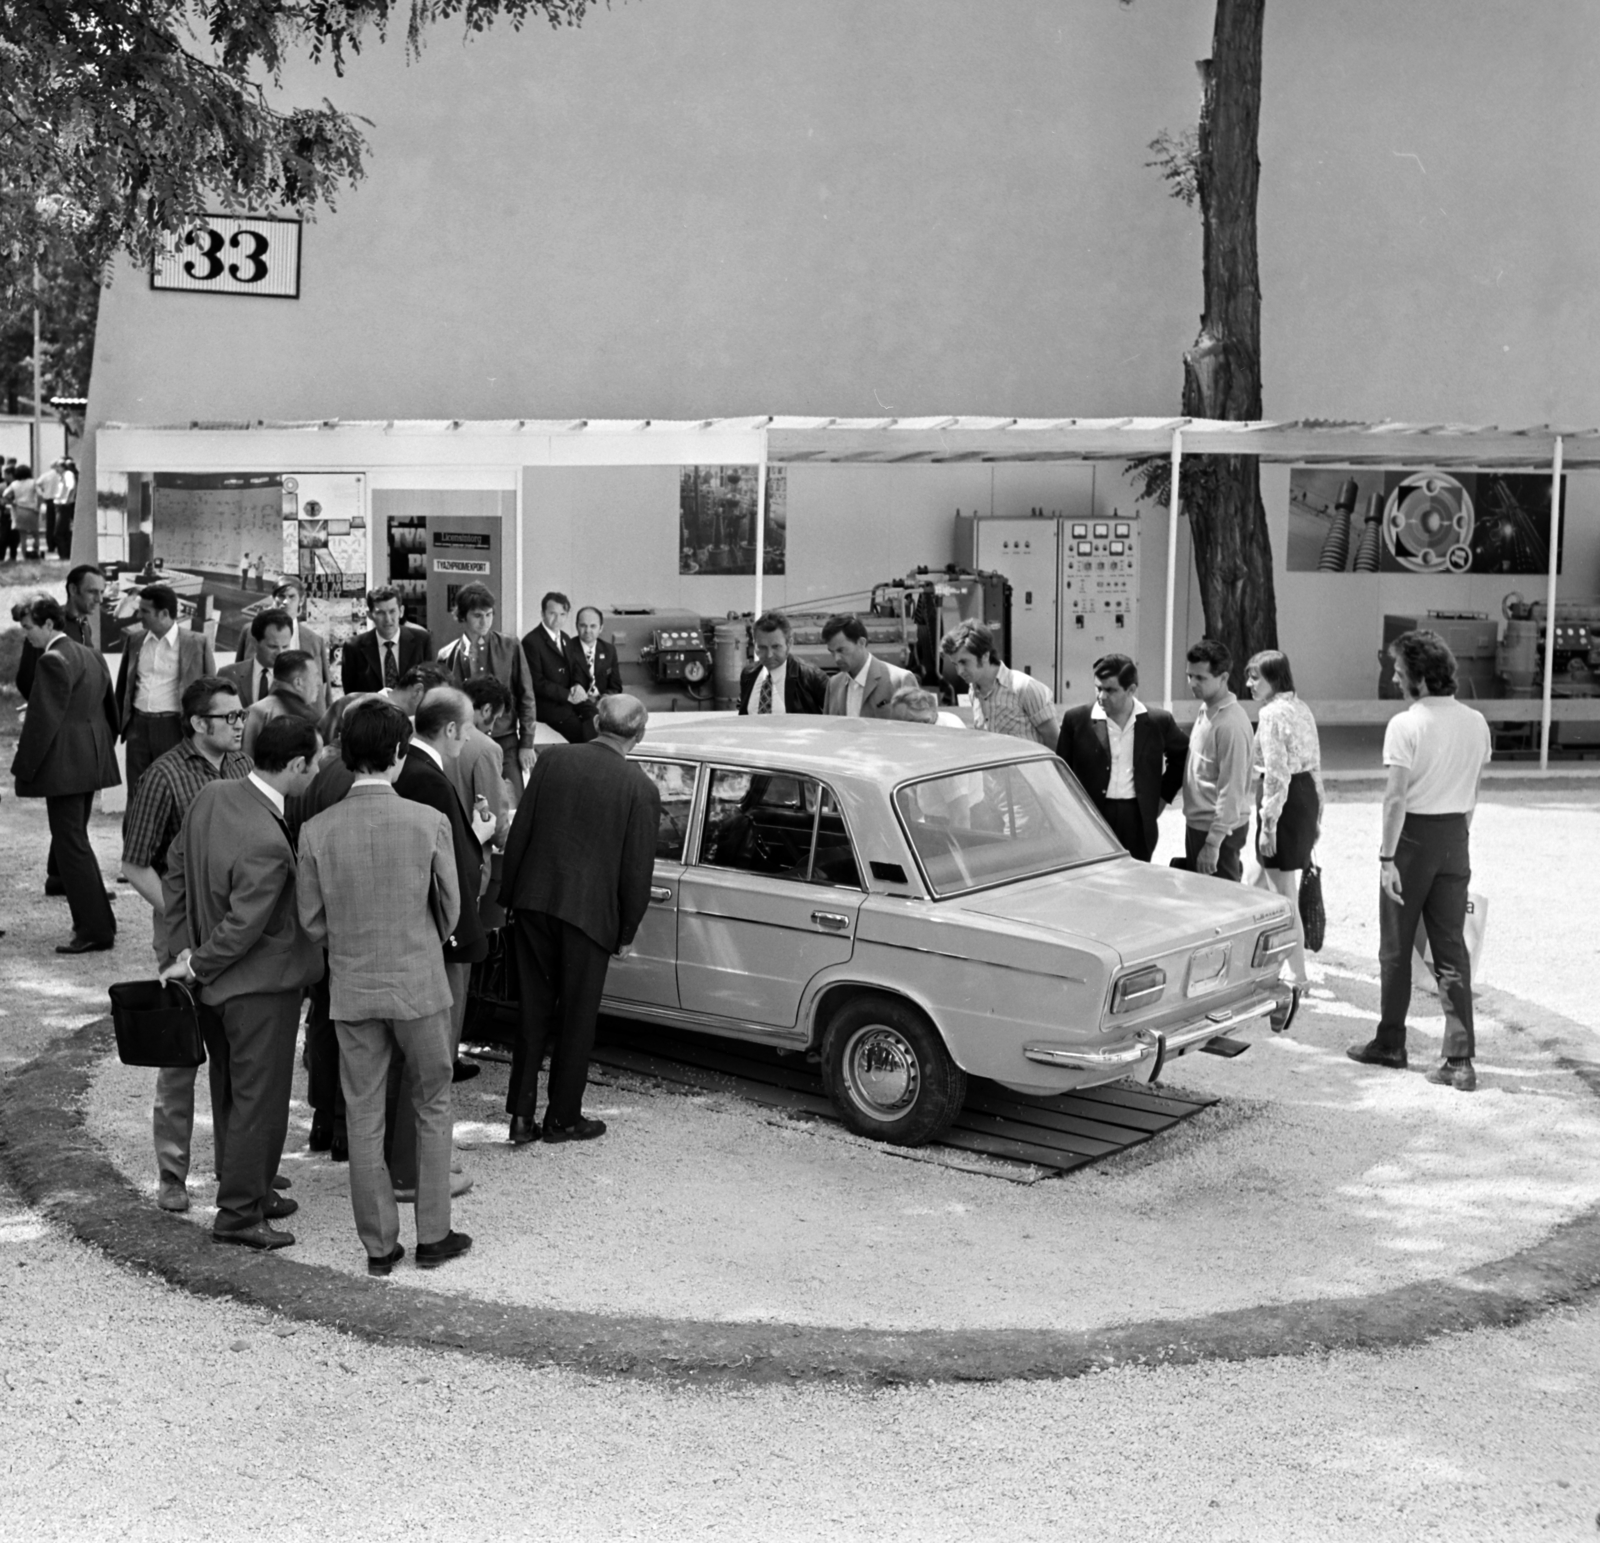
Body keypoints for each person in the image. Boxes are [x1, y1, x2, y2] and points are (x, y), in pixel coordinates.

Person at [296, 698, 473, 1274]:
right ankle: (435, 1233)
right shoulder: (429, 821)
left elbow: (311, 920)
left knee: (364, 1111)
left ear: (346, 757)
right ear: (399, 754)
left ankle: (378, 1245)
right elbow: (451, 910)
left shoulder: (317, 830)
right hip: (419, 981)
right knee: (432, 1100)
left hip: (352, 983)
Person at [160, 717, 324, 1250]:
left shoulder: (211, 795)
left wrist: (184, 946)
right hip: (257, 990)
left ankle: (251, 1188)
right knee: (261, 1100)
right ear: (296, 765)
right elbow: (242, 929)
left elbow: (177, 869)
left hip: (217, 990)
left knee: (231, 1091)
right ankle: (238, 1214)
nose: (317, 771)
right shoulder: (268, 843)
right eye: (314, 764)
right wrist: (198, 962)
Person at [499, 694, 659, 1145]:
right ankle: (563, 1117)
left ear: (595, 722)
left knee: (531, 1011)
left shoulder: (554, 761)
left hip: (534, 901)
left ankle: (521, 1115)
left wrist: (512, 895)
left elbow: (521, 831)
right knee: (576, 1018)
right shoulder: (640, 788)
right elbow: (635, 874)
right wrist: (627, 931)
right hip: (590, 916)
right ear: (638, 735)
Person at [121, 675, 252, 1213]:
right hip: (180, 937)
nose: (241, 724)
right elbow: (133, 863)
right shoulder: (163, 777)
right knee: (179, 1059)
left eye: (242, 715)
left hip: (232, 934)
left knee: (234, 1053)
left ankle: (237, 1167)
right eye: (231, 717)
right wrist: (178, 914)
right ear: (200, 724)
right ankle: (171, 1175)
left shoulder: (243, 767)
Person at [1348, 630, 1493, 1092]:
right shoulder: (1476, 721)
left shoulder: (1406, 724)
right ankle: (1459, 1058)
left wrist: (1387, 856)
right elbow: (1474, 789)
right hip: (1456, 833)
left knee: (1396, 946)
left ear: (1420, 679)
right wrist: (1460, 832)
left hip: (1412, 838)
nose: (1393, 678)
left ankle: (1391, 1041)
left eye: (1399, 671)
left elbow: (1395, 799)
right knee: (1451, 948)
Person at [10, 596, 121, 953]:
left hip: (66, 765)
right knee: (75, 840)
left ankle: (94, 929)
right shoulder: (90, 653)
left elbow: (43, 723)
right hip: (90, 758)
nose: (26, 636)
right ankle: (99, 923)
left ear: (47, 625)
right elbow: (110, 710)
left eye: (28, 628)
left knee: (70, 842)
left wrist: (22, 766)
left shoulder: (52, 659)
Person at [396, 687, 495, 1084]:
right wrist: (480, 832)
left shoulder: (414, 765)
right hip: (434, 923)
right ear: (450, 728)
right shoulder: (428, 778)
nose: (469, 737)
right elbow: (442, 855)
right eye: (467, 728)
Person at [1245, 650, 1324, 1032]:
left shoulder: (1272, 714)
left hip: (1284, 800)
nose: (1249, 685)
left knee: (1283, 892)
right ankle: (1260, 961)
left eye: (1255, 678)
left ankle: (1299, 976)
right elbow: (1316, 763)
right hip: (1306, 795)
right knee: (1258, 882)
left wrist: (1268, 823)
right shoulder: (1301, 708)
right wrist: (1319, 814)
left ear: (1273, 679)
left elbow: (1275, 773)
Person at [17, 564, 107, 897]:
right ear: (71, 590)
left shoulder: (83, 626)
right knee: (71, 818)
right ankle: (71, 876)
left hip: (77, 734)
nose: (98, 598)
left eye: (101, 591)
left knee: (75, 816)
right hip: (62, 734)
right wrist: (50, 714)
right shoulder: (47, 623)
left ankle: (61, 874)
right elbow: (27, 678)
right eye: (92, 591)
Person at [1055, 654, 1188, 863]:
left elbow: (1181, 756)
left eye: (1110, 690)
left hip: (1136, 819)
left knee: (1135, 880)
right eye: (1098, 688)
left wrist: (1161, 799)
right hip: (1092, 817)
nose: (1101, 696)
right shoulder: (1076, 720)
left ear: (1131, 690)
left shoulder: (1157, 721)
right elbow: (1061, 773)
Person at [116, 583, 216, 808]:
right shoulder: (135, 640)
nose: (139, 615)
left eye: (145, 611)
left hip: (176, 729)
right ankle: (133, 842)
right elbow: (123, 686)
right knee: (137, 795)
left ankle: (175, 844)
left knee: (177, 796)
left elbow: (211, 691)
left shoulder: (196, 643)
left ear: (164, 614)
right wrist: (122, 726)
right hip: (138, 729)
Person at [435, 583, 537, 791]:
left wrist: (527, 742)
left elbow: (526, 696)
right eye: (478, 615)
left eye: (489, 615)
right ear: (463, 616)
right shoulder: (447, 655)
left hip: (505, 738)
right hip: (465, 741)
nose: (485, 621)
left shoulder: (511, 646)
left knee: (513, 800)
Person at [1182, 636, 1254, 881]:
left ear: (1223, 678)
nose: (1192, 683)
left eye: (1201, 677)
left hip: (1216, 831)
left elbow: (1232, 787)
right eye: (1190, 676)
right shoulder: (1207, 709)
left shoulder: (1230, 724)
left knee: (1221, 907)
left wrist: (1213, 843)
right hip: (1201, 825)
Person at [940, 619, 1056, 745]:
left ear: (985, 656)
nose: (959, 671)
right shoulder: (974, 691)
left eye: (964, 662)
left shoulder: (1025, 688)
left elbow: (1055, 741)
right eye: (955, 664)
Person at [234, 579, 331, 706]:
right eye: (281, 596)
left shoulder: (314, 640)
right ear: (273, 598)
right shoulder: (250, 631)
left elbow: (323, 687)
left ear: (301, 600)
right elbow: (239, 673)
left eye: (291, 597)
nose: (285, 602)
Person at [522, 590, 597, 744]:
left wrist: (578, 685)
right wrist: (567, 695)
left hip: (571, 699)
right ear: (543, 614)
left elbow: (576, 667)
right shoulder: (531, 642)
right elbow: (536, 682)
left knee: (598, 718)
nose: (557, 619)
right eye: (552, 613)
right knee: (582, 735)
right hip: (549, 705)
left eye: (562, 614)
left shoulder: (565, 638)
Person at [452, 676, 515, 847]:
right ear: (487, 709)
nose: (492, 728)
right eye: (495, 718)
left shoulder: (425, 731)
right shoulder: (487, 748)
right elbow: (495, 819)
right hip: (472, 854)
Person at [338, 587, 433, 696]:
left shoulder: (421, 640)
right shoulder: (354, 648)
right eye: (381, 613)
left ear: (401, 611)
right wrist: (376, 698)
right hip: (371, 711)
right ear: (370, 615)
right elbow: (350, 697)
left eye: (392, 611)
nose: (388, 619)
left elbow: (429, 688)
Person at [822, 614, 914, 718]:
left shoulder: (900, 680)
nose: (836, 658)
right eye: (832, 652)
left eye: (841, 650)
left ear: (861, 642)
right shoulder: (834, 684)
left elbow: (918, 730)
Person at [739, 609, 827, 715]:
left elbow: (835, 718)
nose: (769, 655)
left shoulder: (810, 676)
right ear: (754, 644)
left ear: (789, 644)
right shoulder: (748, 674)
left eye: (776, 647)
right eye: (762, 647)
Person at [241, 649, 321, 759]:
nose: (319, 682)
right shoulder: (306, 718)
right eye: (315, 676)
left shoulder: (252, 711)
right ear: (298, 683)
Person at [219, 607, 294, 708]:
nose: (280, 653)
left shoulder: (297, 679)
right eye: (273, 646)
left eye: (285, 646)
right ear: (255, 643)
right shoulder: (228, 675)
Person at [574, 606, 625, 698]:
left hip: (601, 705)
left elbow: (616, 687)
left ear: (601, 628)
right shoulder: (566, 649)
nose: (587, 630)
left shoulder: (609, 650)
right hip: (575, 707)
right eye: (583, 625)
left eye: (593, 626)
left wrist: (603, 699)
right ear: (576, 626)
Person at [0, 463, 40, 560]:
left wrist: (12, 502)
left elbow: (5, 495)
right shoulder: (33, 482)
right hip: (31, 510)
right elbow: (40, 494)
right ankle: (36, 553)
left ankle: (24, 556)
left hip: (19, 510)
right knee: (35, 534)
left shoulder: (14, 484)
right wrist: (37, 505)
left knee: (23, 536)